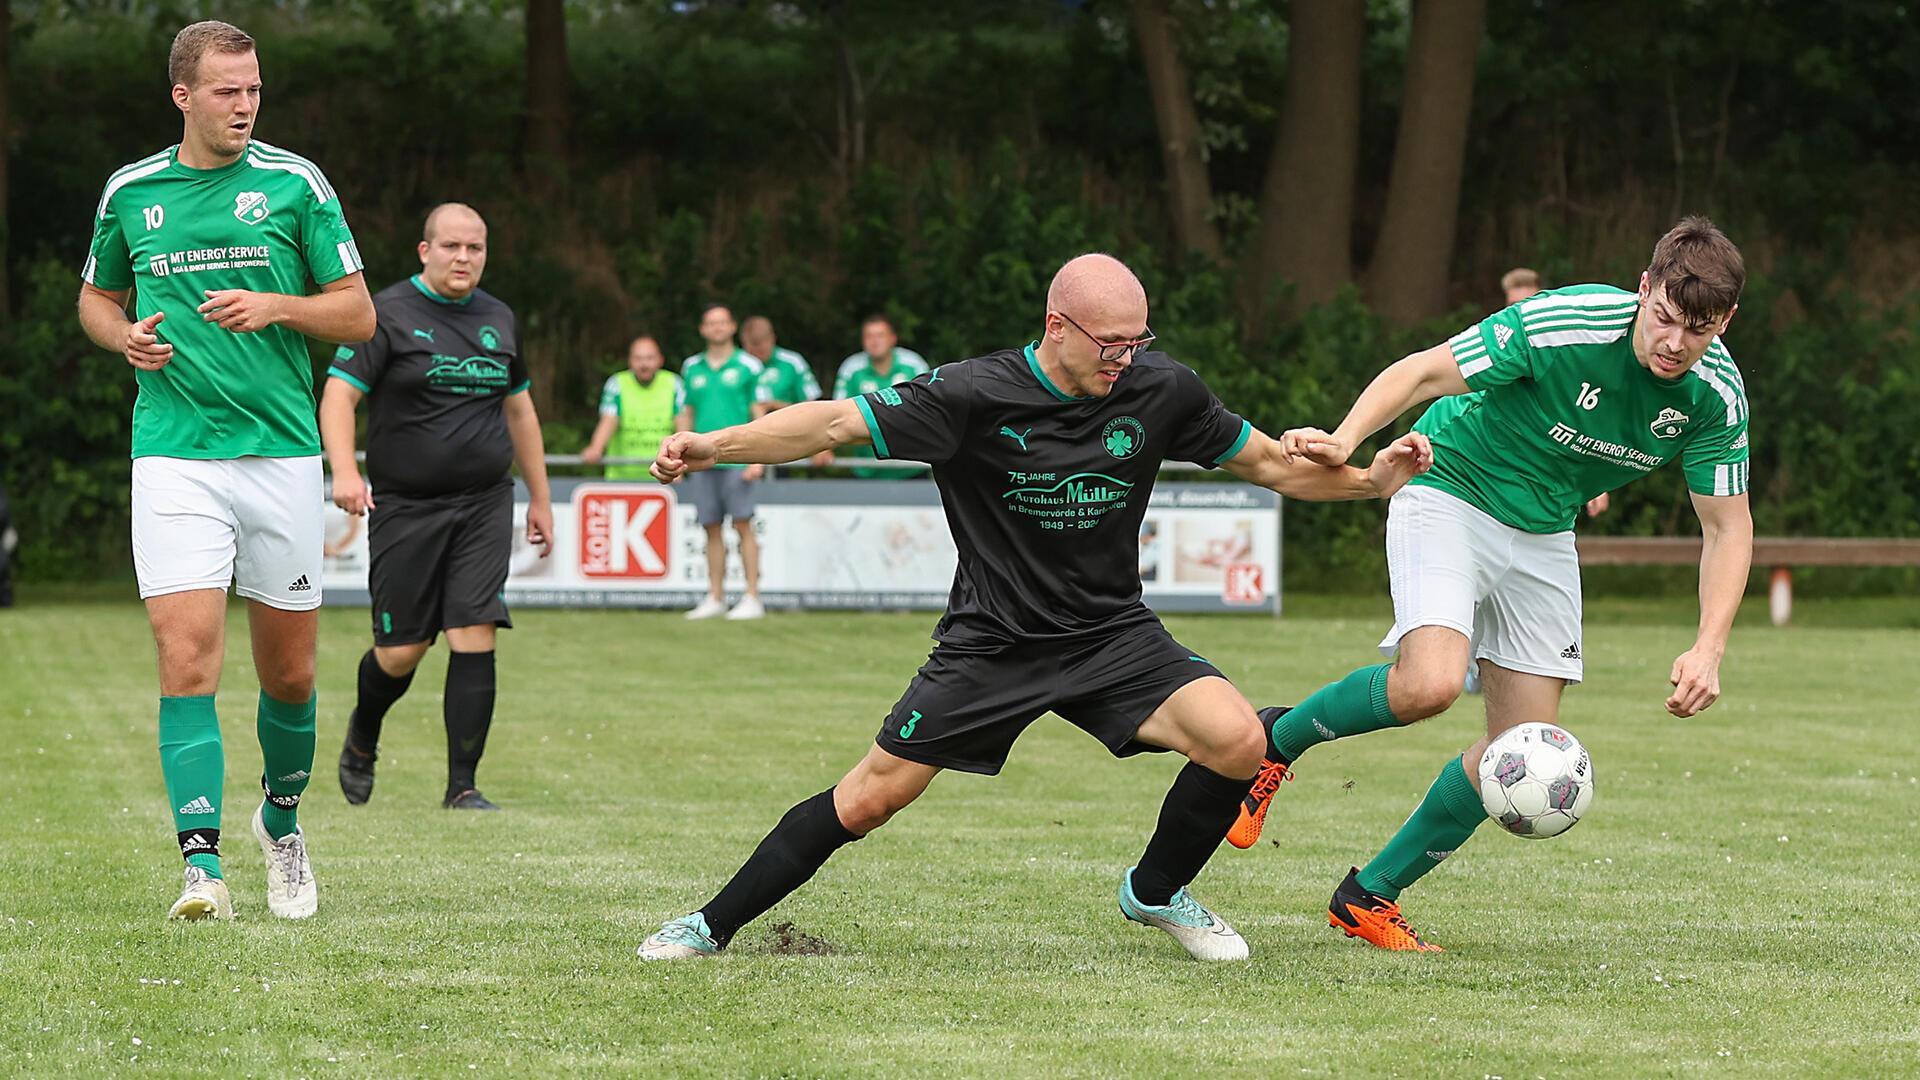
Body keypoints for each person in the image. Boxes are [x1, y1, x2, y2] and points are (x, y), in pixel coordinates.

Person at [636, 253, 1433, 963]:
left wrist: (1369, 480)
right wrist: (714, 443)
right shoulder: (970, 393)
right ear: (1058, 326)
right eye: (1109, 344)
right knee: (870, 797)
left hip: (1111, 633)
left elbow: (1270, 463)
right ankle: (708, 926)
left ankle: (1154, 892)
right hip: (995, 641)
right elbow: (836, 422)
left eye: (1137, 342)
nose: (1124, 360)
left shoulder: (1161, 389)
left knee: (1237, 740)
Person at [1231, 218, 1753, 951]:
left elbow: (1727, 528)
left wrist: (1709, 647)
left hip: (1544, 534)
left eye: (1695, 332)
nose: (1673, 344)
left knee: (1521, 747)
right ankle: (1273, 742)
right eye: (1663, 318)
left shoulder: (1716, 396)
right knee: (1429, 684)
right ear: (1644, 288)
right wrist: (1346, 440)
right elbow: (1421, 371)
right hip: (1452, 486)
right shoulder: (1563, 323)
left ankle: (1368, 896)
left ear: (1724, 322)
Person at [75, 20, 375, 922]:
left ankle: (281, 824)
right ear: (183, 95)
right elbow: (95, 296)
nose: (244, 105)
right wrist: (120, 334)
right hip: (173, 454)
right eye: (225, 91)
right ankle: (201, 868)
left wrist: (277, 305)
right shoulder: (132, 191)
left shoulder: (294, 183)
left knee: (289, 675)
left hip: (281, 453)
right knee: (185, 657)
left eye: (252, 89)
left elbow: (358, 314)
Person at [322, 203, 554, 812]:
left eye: (475, 248)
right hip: (406, 505)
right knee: (401, 651)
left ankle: (463, 786)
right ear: (424, 251)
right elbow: (340, 396)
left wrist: (541, 498)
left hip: (483, 502)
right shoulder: (387, 314)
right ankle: (363, 734)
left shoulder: (499, 317)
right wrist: (344, 470)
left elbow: (520, 411)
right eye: (451, 246)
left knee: (475, 631)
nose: (463, 258)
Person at [677, 305, 767, 620]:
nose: (716, 328)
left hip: (739, 456)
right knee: (710, 527)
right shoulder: (692, 367)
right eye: (710, 323)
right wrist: (678, 451)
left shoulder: (748, 366)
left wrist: (759, 457)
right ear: (703, 329)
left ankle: (752, 597)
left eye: (722, 322)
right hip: (702, 461)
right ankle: (715, 596)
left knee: (743, 524)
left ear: (731, 327)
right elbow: (686, 411)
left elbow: (759, 412)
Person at [833, 315, 930, 476]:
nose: (874, 341)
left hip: (911, 468)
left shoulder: (913, 364)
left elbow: (928, 409)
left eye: (880, 335)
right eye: (869, 336)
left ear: (893, 338)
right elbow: (837, 413)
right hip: (866, 469)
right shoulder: (851, 368)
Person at [581, 335, 678, 480]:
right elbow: (609, 419)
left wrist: (678, 464)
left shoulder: (674, 383)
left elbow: (682, 423)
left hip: (664, 475)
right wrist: (596, 447)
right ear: (630, 361)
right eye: (638, 358)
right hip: (622, 476)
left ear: (660, 360)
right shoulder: (617, 383)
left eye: (649, 358)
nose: (644, 364)